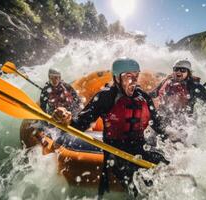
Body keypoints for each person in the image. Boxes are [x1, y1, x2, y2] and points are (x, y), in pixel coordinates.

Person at [52, 58, 169, 198]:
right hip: (116, 152)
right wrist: (66, 120)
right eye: (128, 76)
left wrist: (171, 137)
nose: (134, 81)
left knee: (167, 164)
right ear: (117, 77)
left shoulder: (143, 97)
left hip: (140, 147)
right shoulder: (105, 96)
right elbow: (80, 124)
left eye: (136, 76)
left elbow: (158, 125)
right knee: (142, 186)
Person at [150, 59, 206, 144]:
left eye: (183, 70)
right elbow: (152, 94)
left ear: (188, 72)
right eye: (176, 69)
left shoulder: (195, 87)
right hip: (162, 120)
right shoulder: (166, 82)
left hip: (182, 125)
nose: (179, 72)